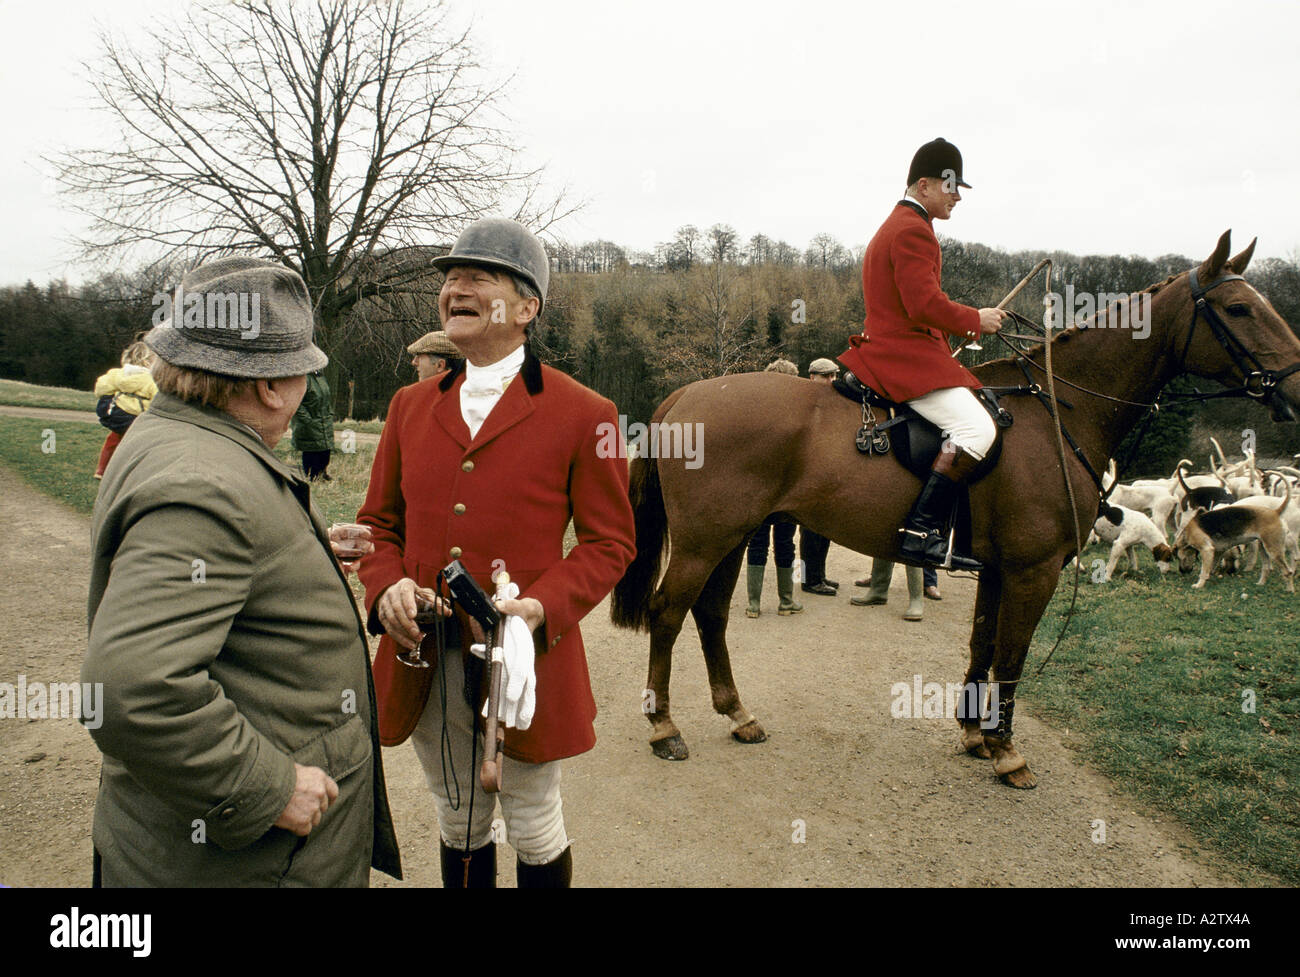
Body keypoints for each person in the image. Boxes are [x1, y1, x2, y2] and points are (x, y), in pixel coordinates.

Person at [83, 256, 401, 887]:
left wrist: (301, 557)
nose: (306, 389)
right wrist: (265, 787)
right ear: (268, 385)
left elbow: (225, 569)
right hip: (251, 867)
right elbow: (132, 689)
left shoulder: (177, 436)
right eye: (304, 372)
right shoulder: (205, 482)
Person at [356, 218, 635, 888]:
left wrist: (541, 606)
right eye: (450, 277)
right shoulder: (407, 405)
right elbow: (377, 524)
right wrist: (386, 585)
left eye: (477, 276)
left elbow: (610, 541)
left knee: (535, 824)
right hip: (423, 654)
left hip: (523, 661)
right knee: (458, 820)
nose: (456, 286)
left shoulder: (585, 411)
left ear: (527, 306)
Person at [837, 137, 1004, 571]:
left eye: (960, 189)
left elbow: (912, 307)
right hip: (902, 360)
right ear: (924, 185)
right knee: (978, 431)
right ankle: (922, 530)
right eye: (951, 187)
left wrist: (948, 340)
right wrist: (974, 319)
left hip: (905, 350)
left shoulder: (900, 223)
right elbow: (922, 304)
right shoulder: (914, 229)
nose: (957, 196)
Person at [745, 358, 804, 618]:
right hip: (787, 490)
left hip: (757, 489)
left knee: (756, 543)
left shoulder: (755, 413)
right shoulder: (798, 414)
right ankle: (786, 601)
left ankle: (754, 604)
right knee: (785, 542)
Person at [799, 358, 841, 596]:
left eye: (834, 376)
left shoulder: (832, 401)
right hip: (807, 474)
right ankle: (809, 580)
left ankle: (818, 575)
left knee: (822, 530)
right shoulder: (806, 399)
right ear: (812, 376)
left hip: (822, 472)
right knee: (810, 531)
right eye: (826, 376)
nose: (831, 380)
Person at [92, 340, 157, 479]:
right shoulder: (150, 379)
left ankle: (101, 470)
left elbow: (101, 388)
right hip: (137, 417)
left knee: (113, 440)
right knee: (137, 444)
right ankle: (132, 472)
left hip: (118, 413)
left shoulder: (118, 374)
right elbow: (157, 399)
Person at [292, 369, 334, 481]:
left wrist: (329, 413)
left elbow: (326, 397)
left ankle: (322, 473)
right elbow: (296, 402)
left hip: (324, 419)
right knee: (311, 449)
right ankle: (312, 476)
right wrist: (307, 419)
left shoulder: (320, 376)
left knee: (325, 449)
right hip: (310, 421)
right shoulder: (303, 378)